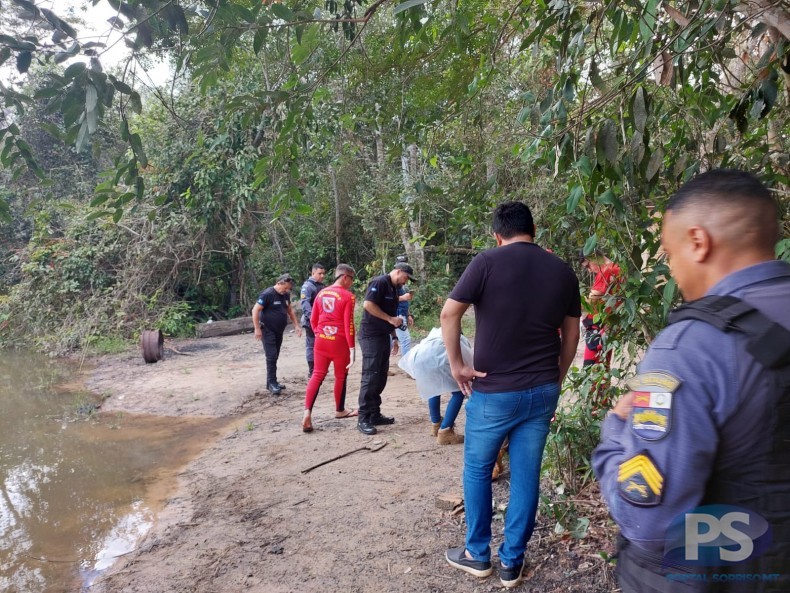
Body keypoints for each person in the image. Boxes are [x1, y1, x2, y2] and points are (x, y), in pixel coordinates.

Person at [592, 169, 790, 592]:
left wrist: (614, 433)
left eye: (669, 252)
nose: (671, 267)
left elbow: (649, 524)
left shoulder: (690, 348)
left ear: (698, 242)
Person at [441, 201, 581, 588]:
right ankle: (511, 562)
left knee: (478, 469)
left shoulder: (486, 262)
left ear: (497, 235)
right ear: (533, 231)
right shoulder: (562, 270)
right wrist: (557, 375)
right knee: (525, 476)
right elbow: (572, 334)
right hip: (542, 391)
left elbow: (449, 314)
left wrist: (457, 365)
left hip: (495, 392)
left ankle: (477, 554)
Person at [356, 261, 414, 435]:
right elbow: (368, 305)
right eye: (406, 277)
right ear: (398, 271)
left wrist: (394, 337)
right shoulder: (379, 282)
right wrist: (390, 319)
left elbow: (391, 313)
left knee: (381, 376)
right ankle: (363, 418)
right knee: (370, 376)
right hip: (370, 335)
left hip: (383, 335)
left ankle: (375, 414)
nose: (406, 281)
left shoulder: (394, 288)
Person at [301, 264, 358, 433]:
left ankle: (307, 413)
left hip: (321, 340)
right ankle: (340, 410)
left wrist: (320, 333)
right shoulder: (348, 296)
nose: (352, 283)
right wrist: (352, 348)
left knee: (317, 375)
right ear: (345, 277)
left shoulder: (321, 293)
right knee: (340, 376)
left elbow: (313, 319)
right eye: (351, 279)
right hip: (339, 342)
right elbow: (349, 325)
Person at [397, 327, 472, 445]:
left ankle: (436, 424)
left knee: (433, 388)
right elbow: (466, 363)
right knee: (459, 391)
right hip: (438, 358)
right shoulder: (459, 340)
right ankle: (445, 431)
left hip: (420, 357)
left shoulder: (435, 334)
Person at [252, 273, 302, 395]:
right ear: (279, 283)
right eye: (285, 288)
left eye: (288, 289)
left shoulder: (285, 295)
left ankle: (271, 382)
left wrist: (296, 325)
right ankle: (272, 383)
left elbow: (290, 310)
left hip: (278, 331)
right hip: (267, 329)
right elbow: (255, 310)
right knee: (272, 356)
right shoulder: (267, 294)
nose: (287, 291)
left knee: (275, 355)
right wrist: (257, 328)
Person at [578, 250, 621, 368]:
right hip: (608, 325)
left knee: (592, 367)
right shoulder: (616, 267)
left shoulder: (606, 271)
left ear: (593, 257)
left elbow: (590, 302)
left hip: (599, 326)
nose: (590, 270)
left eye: (588, 266)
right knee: (603, 366)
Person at [300, 263, 326, 378]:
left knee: (322, 344)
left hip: (322, 321)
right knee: (311, 345)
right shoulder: (308, 286)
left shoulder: (321, 286)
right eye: (319, 273)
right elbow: (305, 303)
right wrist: (312, 318)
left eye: (323, 273)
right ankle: (312, 370)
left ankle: (320, 368)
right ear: (313, 273)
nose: (322, 276)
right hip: (311, 321)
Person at [394, 255, 414, 355]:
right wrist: (403, 297)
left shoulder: (404, 281)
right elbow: (387, 299)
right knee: (405, 339)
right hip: (396, 314)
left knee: (393, 339)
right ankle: (406, 361)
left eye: (405, 263)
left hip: (402, 313)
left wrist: (408, 314)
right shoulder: (393, 281)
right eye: (401, 263)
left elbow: (405, 301)